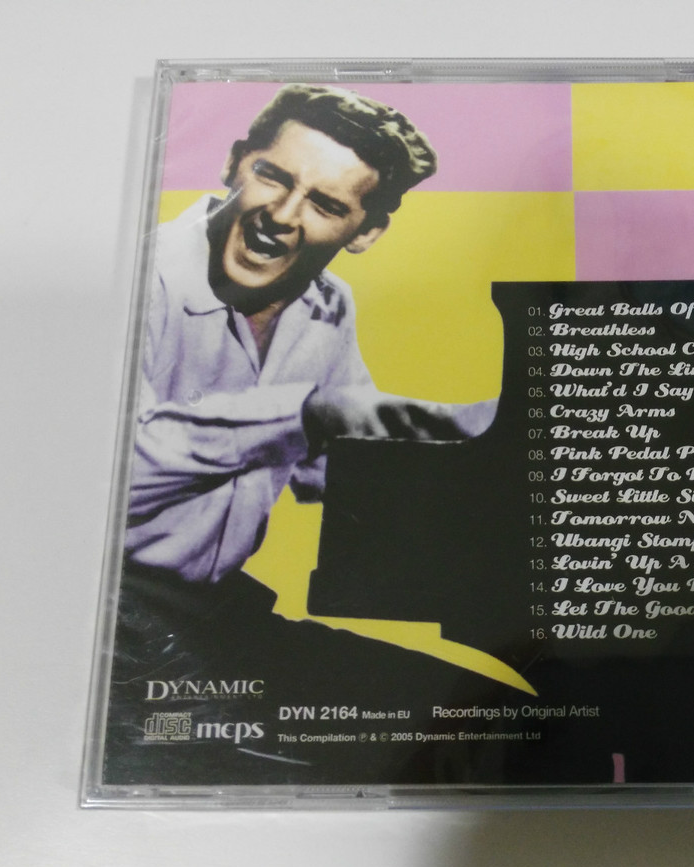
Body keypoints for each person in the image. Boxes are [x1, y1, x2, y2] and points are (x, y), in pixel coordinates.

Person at [124, 84, 495, 585]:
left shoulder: (328, 305)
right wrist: (308, 415)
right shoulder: (137, 278)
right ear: (233, 163)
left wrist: (471, 450)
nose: (281, 216)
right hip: (118, 593)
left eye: (324, 205)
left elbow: (341, 464)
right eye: (272, 177)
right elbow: (114, 478)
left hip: (208, 601)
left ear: (366, 232)